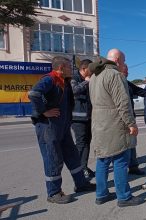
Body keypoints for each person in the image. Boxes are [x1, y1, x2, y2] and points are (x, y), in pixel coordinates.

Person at [28, 56, 96, 204]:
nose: (71, 68)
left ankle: (81, 184)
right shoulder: (50, 79)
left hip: (62, 127)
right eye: (68, 66)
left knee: (72, 156)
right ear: (60, 68)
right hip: (48, 127)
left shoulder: (64, 81)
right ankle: (53, 193)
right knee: (53, 159)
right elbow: (33, 94)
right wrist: (43, 111)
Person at [89, 49, 144, 207]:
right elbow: (123, 103)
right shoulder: (115, 75)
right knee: (120, 160)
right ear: (118, 60)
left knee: (103, 160)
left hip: (99, 124)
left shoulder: (94, 76)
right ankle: (124, 197)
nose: (124, 64)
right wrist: (131, 124)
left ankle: (101, 194)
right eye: (124, 61)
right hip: (115, 125)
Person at [71, 59, 95, 180]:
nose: (91, 73)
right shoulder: (74, 77)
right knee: (81, 144)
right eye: (90, 70)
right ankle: (80, 170)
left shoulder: (88, 78)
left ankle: (84, 166)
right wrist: (86, 82)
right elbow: (73, 91)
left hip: (88, 117)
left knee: (87, 143)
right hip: (77, 118)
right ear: (84, 69)